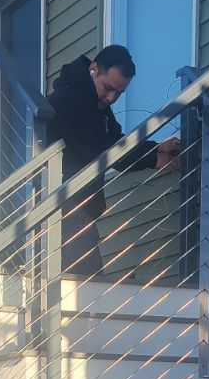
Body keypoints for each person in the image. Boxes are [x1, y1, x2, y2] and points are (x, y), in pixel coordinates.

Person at [46, 45, 181, 277]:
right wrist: (154, 158)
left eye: (119, 93)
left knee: (82, 281)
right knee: (85, 284)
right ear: (93, 69)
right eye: (109, 88)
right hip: (62, 203)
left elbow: (113, 143)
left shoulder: (94, 103)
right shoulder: (69, 99)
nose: (111, 98)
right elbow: (97, 148)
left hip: (75, 205)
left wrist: (156, 149)